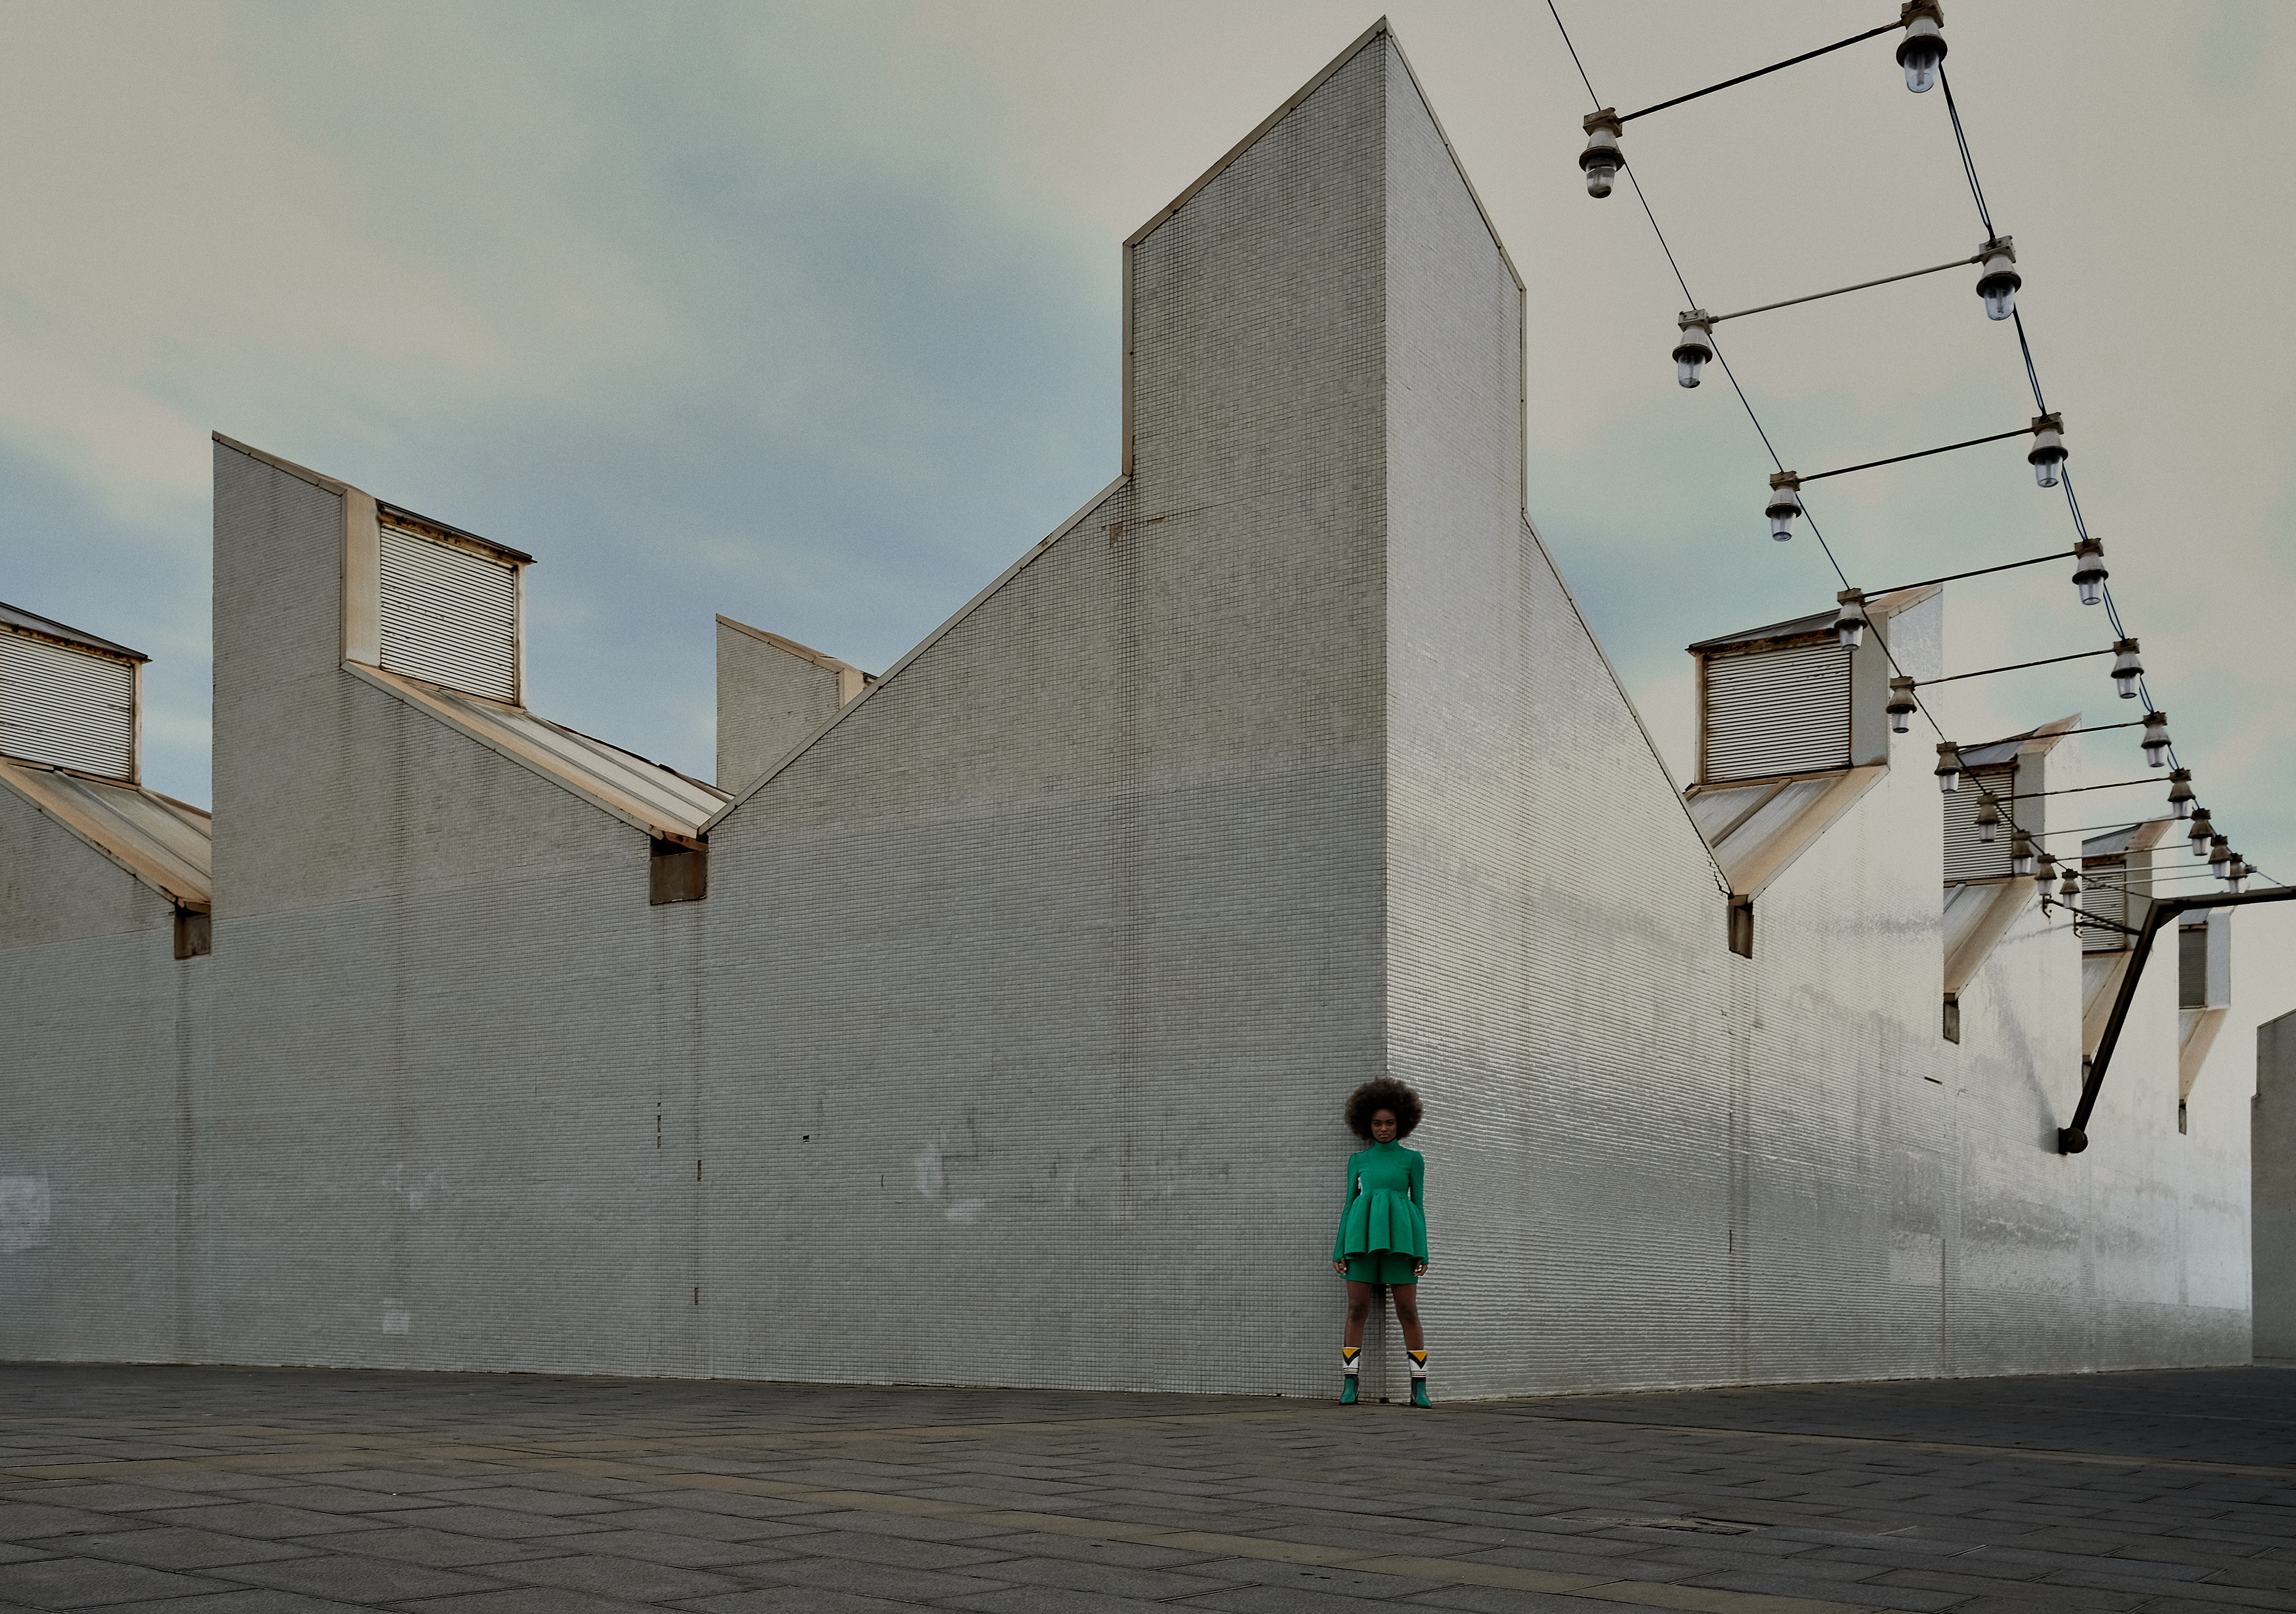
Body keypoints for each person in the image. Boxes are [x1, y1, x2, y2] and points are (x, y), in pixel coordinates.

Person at [1330, 1077, 1430, 1406]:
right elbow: (1349, 1205)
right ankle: (1350, 1384)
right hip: (1360, 1240)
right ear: (1367, 1125)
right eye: (1377, 1123)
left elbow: (1418, 1205)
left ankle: (1419, 1388)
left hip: (1401, 1242)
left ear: (1401, 1124)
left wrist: (1422, 1251)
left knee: (1408, 1310)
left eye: (1389, 1123)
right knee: (1357, 1308)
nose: (1383, 1129)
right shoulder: (1358, 1160)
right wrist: (1340, 1248)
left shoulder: (1413, 1159)